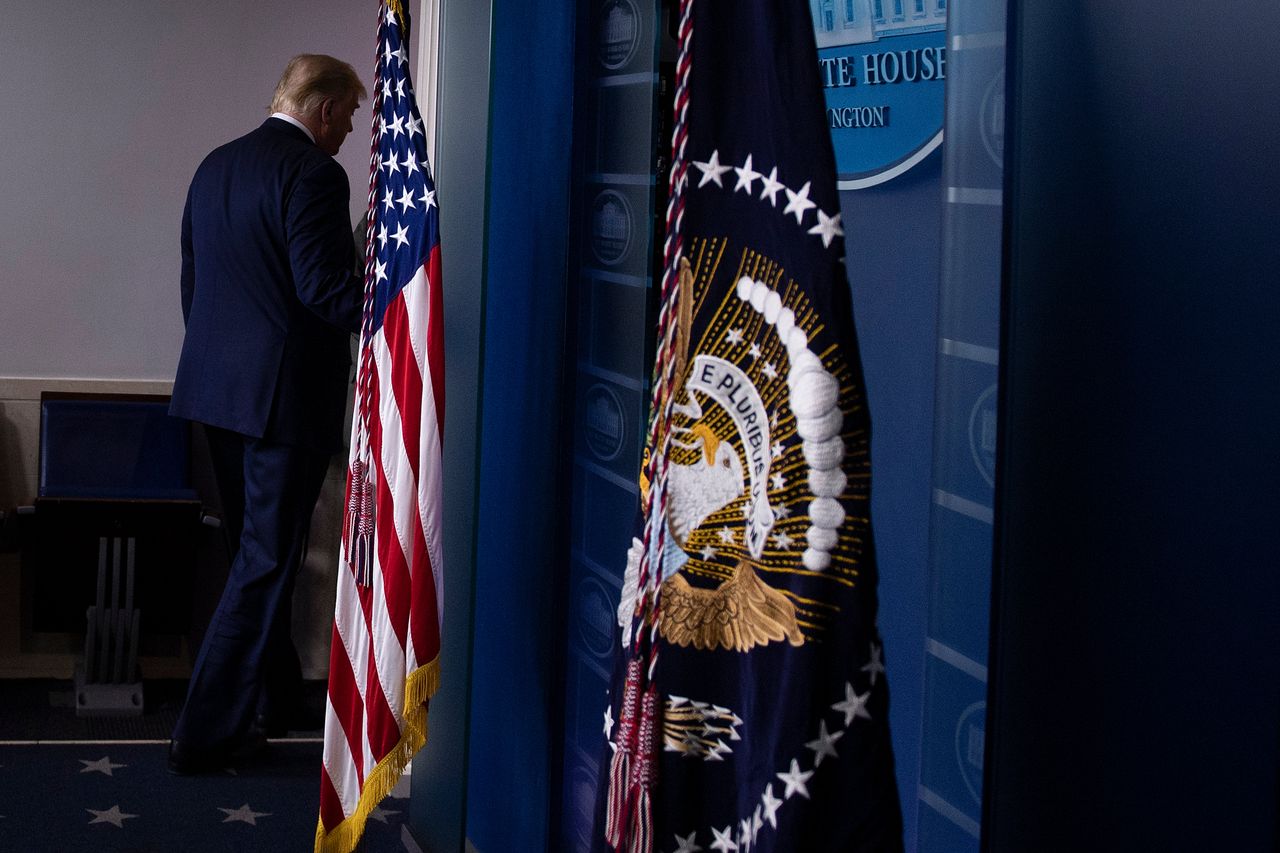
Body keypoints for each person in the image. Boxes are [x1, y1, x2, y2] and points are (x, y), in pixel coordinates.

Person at [167, 54, 366, 774]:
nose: (349, 130)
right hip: (281, 404)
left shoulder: (214, 165)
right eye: (347, 115)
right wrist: (393, 310)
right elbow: (321, 291)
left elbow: (195, 287)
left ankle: (273, 698)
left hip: (213, 395)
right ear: (321, 109)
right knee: (262, 560)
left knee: (251, 554)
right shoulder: (315, 172)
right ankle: (201, 733)